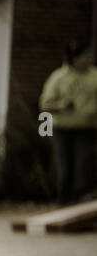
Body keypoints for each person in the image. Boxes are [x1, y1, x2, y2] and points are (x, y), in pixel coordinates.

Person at [40, 41, 97, 204]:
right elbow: (44, 104)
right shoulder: (59, 77)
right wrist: (61, 106)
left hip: (86, 128)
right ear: (74, 59)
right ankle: (63, 202)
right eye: (84, 56)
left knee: (82, 167)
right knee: (65, 168)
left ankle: (78, 200)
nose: (88, 58)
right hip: (62, 129)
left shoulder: (94, 76)